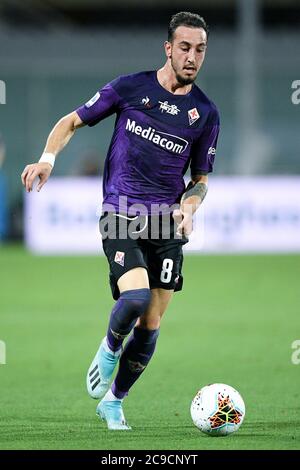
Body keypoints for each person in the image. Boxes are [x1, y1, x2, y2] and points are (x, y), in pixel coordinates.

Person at [21, 11, 220, 431]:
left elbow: (200, 180)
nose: (192, 57)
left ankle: (114, 401)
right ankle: (110, 347)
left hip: (166, 224)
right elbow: (71, 121)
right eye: (184, 47)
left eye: (200, 49)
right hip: (121, 212)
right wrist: (46, 159)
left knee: (150, 327)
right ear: (168, 48)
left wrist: (189, 207)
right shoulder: (131, 88)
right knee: (133, 300)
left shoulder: (205, 114)